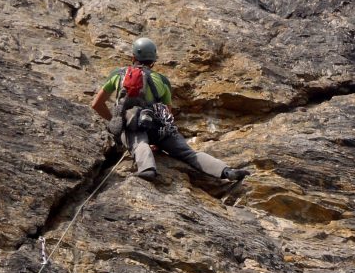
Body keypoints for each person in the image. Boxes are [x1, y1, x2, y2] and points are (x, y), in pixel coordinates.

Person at [90, 37, 250, 183]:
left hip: (133, 126)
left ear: (133, 57)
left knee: (140, 144)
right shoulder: (163, 81)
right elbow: (167, 113)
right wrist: (160, 142)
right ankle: (227, 171)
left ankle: (147, 169)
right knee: (189, 154)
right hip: (159, 127)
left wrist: (116, 121)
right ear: (152, 61)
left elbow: (96, 104)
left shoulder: (118, 75)